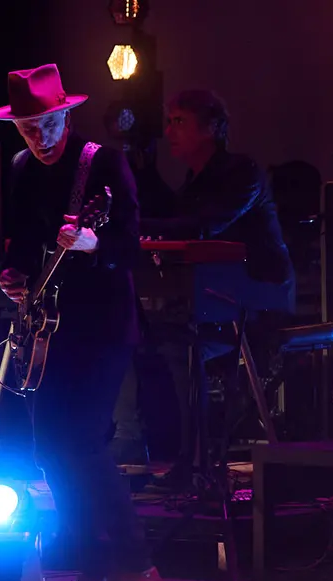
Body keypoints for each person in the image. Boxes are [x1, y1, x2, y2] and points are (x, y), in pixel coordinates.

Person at [0, 64, 162, 581]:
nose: (37, 138)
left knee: (83, 443)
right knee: (50, 449)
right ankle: (94, 567)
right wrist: (12, 278)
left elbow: (131, 246)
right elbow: (18, 243)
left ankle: (138, 568)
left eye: (45, 124)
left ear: (66, 113)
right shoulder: (20, 167)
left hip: (101, 326)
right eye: (26, 127)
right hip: (48, 329)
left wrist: (94, 244)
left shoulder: (102, 163)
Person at [111, 90, 296, 474]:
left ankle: (190, 457)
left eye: (179, 121)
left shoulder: (242, 172)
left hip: (255, 296)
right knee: (130, 333)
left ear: (211, 127)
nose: (169, 130)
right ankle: (132, 445)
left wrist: (134, 228)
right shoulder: (193, 182)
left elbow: (206, 227)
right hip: (212, 296)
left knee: (180, 344)